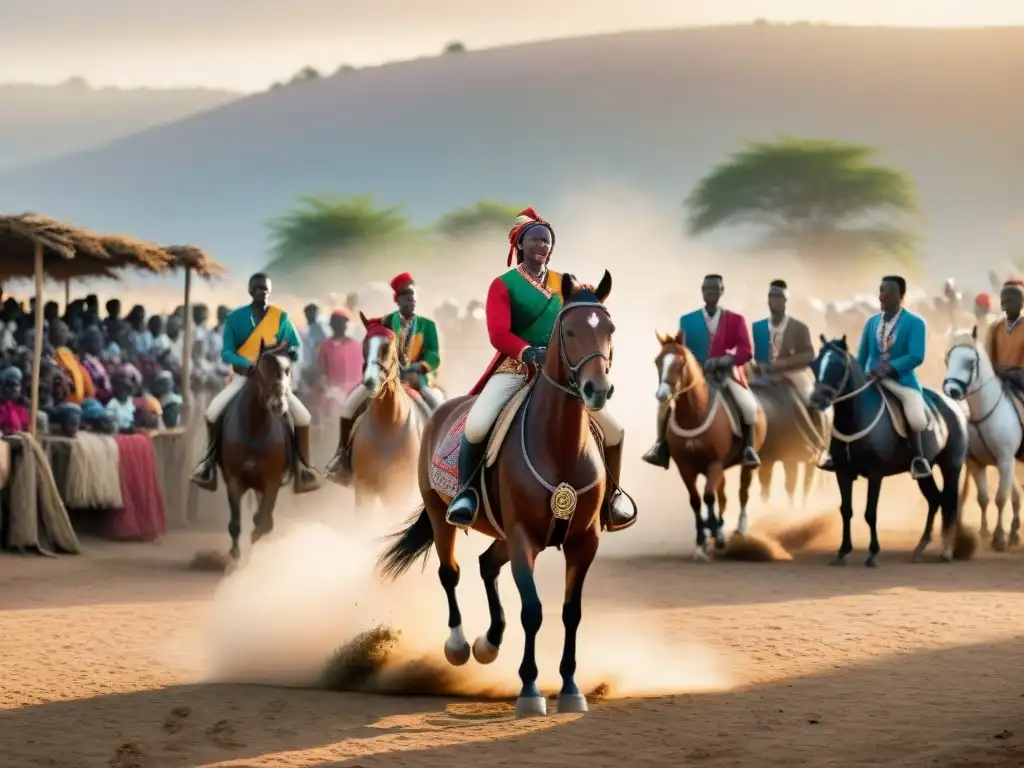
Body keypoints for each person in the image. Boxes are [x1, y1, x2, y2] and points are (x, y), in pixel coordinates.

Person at [444, 207, 635, 532]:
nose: (542, 247)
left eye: (546, 241)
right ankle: (467, 495)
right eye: (534, 240)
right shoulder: (503, 285)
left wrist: (591, 302)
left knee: (614, 431)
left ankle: (611, 499)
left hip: (564, 375)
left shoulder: (567, 283)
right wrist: (527, 351)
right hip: (516, 369)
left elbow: (588, 320)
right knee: (477, 424)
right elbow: (498, 333)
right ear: (520, 244)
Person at [189, 272, 323, 494]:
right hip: (243, 377)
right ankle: (208, 466)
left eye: (267, 289)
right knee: (212, 413)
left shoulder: (280, 317)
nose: (263, 293)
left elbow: (296, 348)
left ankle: (303, 470)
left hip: (274, 381)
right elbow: (226, 353)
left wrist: (283, 355)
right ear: (251, 291)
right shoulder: (235, 318)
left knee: (303, 417)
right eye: (259, 289)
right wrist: (248, 364)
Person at [643, 274, 760, 469]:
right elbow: (682, 350)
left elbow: (746, 350)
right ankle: (660, 446)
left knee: (747, 404)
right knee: (664, 403)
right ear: (702, 292)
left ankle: (748, 449)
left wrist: (724, 360)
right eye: (707, 290)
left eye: (715, 290)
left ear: (722, 291)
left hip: (724, 375)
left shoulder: (736, 320)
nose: (711, 293)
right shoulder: (687, 321)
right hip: (693, 376)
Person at [829, 275, 930, 479]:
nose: (881, 295)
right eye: (881, 290)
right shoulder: (871, 322)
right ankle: (836, 454)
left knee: (916, 418)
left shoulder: (915, 322)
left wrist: (890, 367)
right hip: (870, 380)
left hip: (901, 382)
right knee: (841, 406)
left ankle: (918, 458)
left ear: (900, 296)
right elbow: (862, 354)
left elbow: (916, 355)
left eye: (887, 291)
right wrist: (858, 373)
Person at [380, 273, 443, 409]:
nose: (412, 304)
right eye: (408, 300)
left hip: (416, 379)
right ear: (398, 301)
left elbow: (434, 355)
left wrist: (420, 366)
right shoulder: (386, 323)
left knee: (437, 404)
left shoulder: (427, 325)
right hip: (388, 378)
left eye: (414, 300)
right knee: (354, 404)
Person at [750, 280, 816, 404]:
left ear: (785, 300)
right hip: (765, 377)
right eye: (771, 296)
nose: (774, 301)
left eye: (778, 297)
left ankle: (819, 421)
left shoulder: (799, 328)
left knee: (810, 399)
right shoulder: (758, 327)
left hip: (793, 374)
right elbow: (758, 355)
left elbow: (809, 355)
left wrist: (783, 363)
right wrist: (758, 364)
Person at [983, 279, 1024, 394]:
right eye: (1006, 302)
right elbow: (988, 354)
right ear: (1002, 305)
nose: (1010, 305)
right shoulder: (995, 327)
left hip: (1020, 378)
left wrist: (1012, 372)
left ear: (1021, 304)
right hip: (997, 375)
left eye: (1013, 302)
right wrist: (995, 370)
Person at [316, 309, 363, 396]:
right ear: (332, 325)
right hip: (333, 394)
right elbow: (320, 371)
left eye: (343, 323)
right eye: (337, 323)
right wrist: (329, 389)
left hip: (354, 393)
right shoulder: (325, 346)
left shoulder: (356, 345)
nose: (341, 326)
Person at [50, 319, 95, 404]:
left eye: (66, 331)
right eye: (61, 331)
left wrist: (89, 394)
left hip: (80, 402)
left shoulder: (70, 354)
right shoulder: (49, 354)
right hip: (63, 402)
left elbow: (84, 376)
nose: (64, 334)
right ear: (51, 333)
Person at [0, 366, 31, 434]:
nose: (15, 389)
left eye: (17, 385)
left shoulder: (21, 408)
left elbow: (25, 428)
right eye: (11, 385)